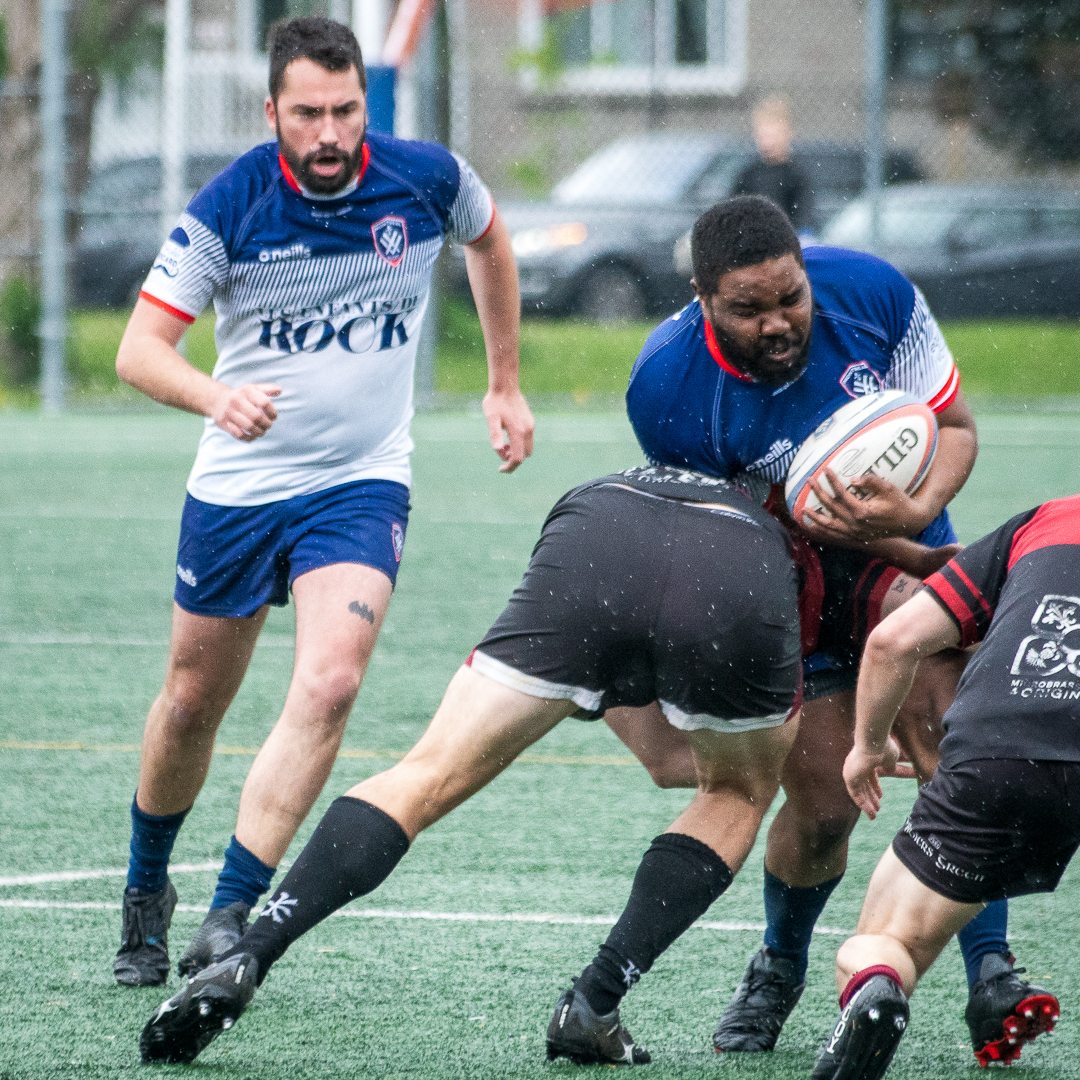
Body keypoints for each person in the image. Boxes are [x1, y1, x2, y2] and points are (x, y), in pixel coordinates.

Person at [111, 16, 534, 989]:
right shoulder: (233, 205)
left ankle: (228, 913)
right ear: (273, 114)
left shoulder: (424, 178)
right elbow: (139, 350)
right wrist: (218, 397)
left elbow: (491, 238)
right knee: (189, 705)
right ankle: (145, 891)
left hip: (359, 481)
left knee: (333, 681)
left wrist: (503, 381)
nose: (332, 131)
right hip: (239, 488)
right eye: (309, 114)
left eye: (346, 110)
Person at [137, 463, 805, 1065]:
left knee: (425, 773)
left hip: (599, 524)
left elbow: (645, 740)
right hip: (732, 561)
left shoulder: (673, 403)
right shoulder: (805, 523)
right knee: (739, 794)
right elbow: (677, 762)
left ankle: (250, 953)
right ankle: (594, 1003)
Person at [619, 195, 1025, 1057]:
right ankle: (781, 962)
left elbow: (953, 427)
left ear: (807, 272)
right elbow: (707, 546)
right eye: (748, 309)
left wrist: (911, 513)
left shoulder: (872, 293)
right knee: (826, 809)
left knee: (953, 752)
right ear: (701, 298)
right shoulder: (666, 388)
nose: (778, 324)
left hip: (905, 555)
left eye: (790, 298)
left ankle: (992, 972)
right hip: (782, 588)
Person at [811, 495, 1080, 1079]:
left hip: (999, 751)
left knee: (888, 943)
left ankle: (876, 992)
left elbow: (892, 641)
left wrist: (866, 747)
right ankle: (990, 975)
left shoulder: (1048, 519)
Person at [732, 98, 812, 233]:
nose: (767, 143)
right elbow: (733, 211)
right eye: (763, 136)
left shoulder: (796, 175)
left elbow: (804, 218)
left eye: (773, 137)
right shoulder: (748, 174)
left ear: (787, 134)